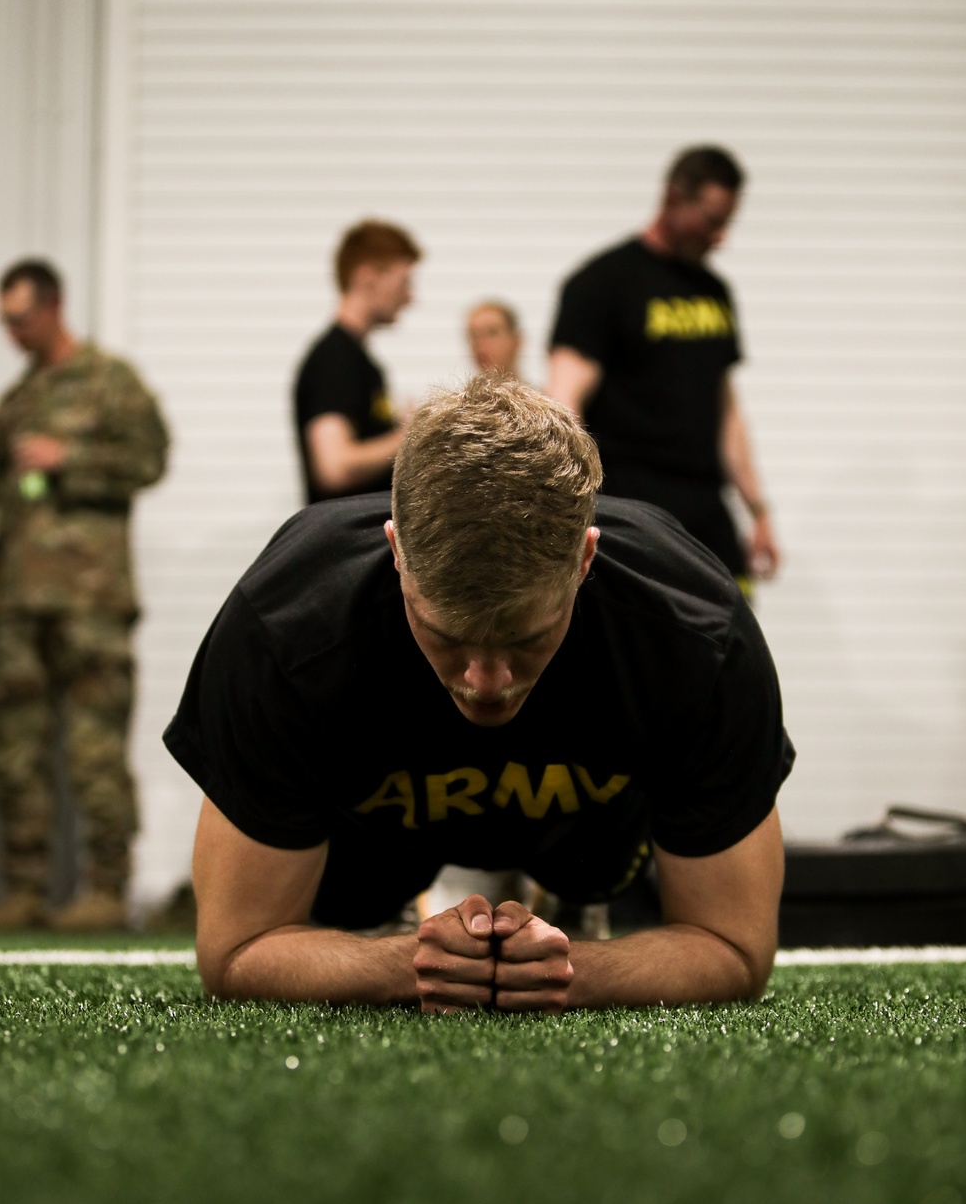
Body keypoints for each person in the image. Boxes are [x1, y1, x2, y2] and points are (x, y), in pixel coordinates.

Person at [165, 376, 793, 1013]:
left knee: (593, 866)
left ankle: (573, 889)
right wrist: (396, 963)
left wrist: (575, 970)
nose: (485, 683)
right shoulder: (286, 627)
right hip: (369, 844)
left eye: (526, 638)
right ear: (396, 554)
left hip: (590, 839)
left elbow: (735, 948)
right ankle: (395, 902)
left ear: (584, 560)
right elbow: (237, 950)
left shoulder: (694, 632)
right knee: (350, 901)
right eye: (448, 636)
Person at [0, 259, 169, 931]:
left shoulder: (109, 381)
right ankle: (25, 889)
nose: (11, 332)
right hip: (15, 606)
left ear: (53, 307)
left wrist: (71, 461)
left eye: (20, 318)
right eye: (4, 321)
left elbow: (151, 458)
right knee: (15, 752)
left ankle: (105, 887)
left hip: (91, 602)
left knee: (95, 750)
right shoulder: (14, 404)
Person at [548, 145, 780, 591]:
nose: (721, 237)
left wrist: (758, 511)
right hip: (631, 513)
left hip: (706, 514)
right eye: (712, 221)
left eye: (727, 223)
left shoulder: (714, 291)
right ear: (675, 198)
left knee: (727, 645)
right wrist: (569, 513)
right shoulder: (601, 284)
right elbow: (563, 405)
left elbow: (726, 410)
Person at [293, 220, 421, 504]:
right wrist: (410, 437)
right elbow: (334, 467)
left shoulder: (358, 361)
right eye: (404, 282)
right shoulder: (335, 360)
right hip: (344, 545)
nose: (410, 297)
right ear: (367, 277)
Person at [466, 301, 522, 379]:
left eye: (492, 333)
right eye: (474, 335)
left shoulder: (540, 391)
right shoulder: (462, 391)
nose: (481, 342)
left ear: (516, 341)